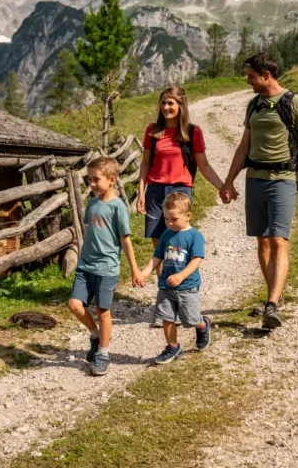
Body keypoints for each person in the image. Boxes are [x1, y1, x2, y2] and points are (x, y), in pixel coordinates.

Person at [220, 52, 298, 330]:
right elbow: (244, 146)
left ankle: (272, 305)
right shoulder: (254, 105)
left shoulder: (294, 102)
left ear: (267, 75)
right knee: (262, 241)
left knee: (278, 240)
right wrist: (229, 181)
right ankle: (274, 295)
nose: (248, 81)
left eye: (252, 76)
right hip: (255, 179)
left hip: (283, 180)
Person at [136, 86, 227, 326]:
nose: (166, 107)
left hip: (180, 191)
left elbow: (204, 165)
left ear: (181, 106)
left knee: (178, 248)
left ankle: (180, 299)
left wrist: (222, 186)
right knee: (160, 249)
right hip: (155, 192)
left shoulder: (192, 132)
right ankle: (165, 308)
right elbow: (145, 164)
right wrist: (141, 193)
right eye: (163, 103)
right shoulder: (152, 132)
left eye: (171, 103)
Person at [67, 155, 144, 376]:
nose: (91, 184)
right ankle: (95, 335)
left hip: (107, 267)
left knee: (103, 311)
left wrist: (135, 269)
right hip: (86, 265)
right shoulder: (92, 204)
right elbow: (90, 233)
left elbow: (125, 240)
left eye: (96, 179)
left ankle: (103, 353)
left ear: (112, 179)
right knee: (74, 304)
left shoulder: (118, 207)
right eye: (89, 179)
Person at [134, 191, 211, 363]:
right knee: (166, 318)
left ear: (188, 215)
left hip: (187, 287)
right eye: (166, 219)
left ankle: (202, 325)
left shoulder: (194, 236)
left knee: (190, 319)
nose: (169, 223)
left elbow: (196, 260)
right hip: (166, 287)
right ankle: (173, 347)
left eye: (174, 219)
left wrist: (181, 275)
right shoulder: (166, 235)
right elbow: (157, 258)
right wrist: (144, 273)